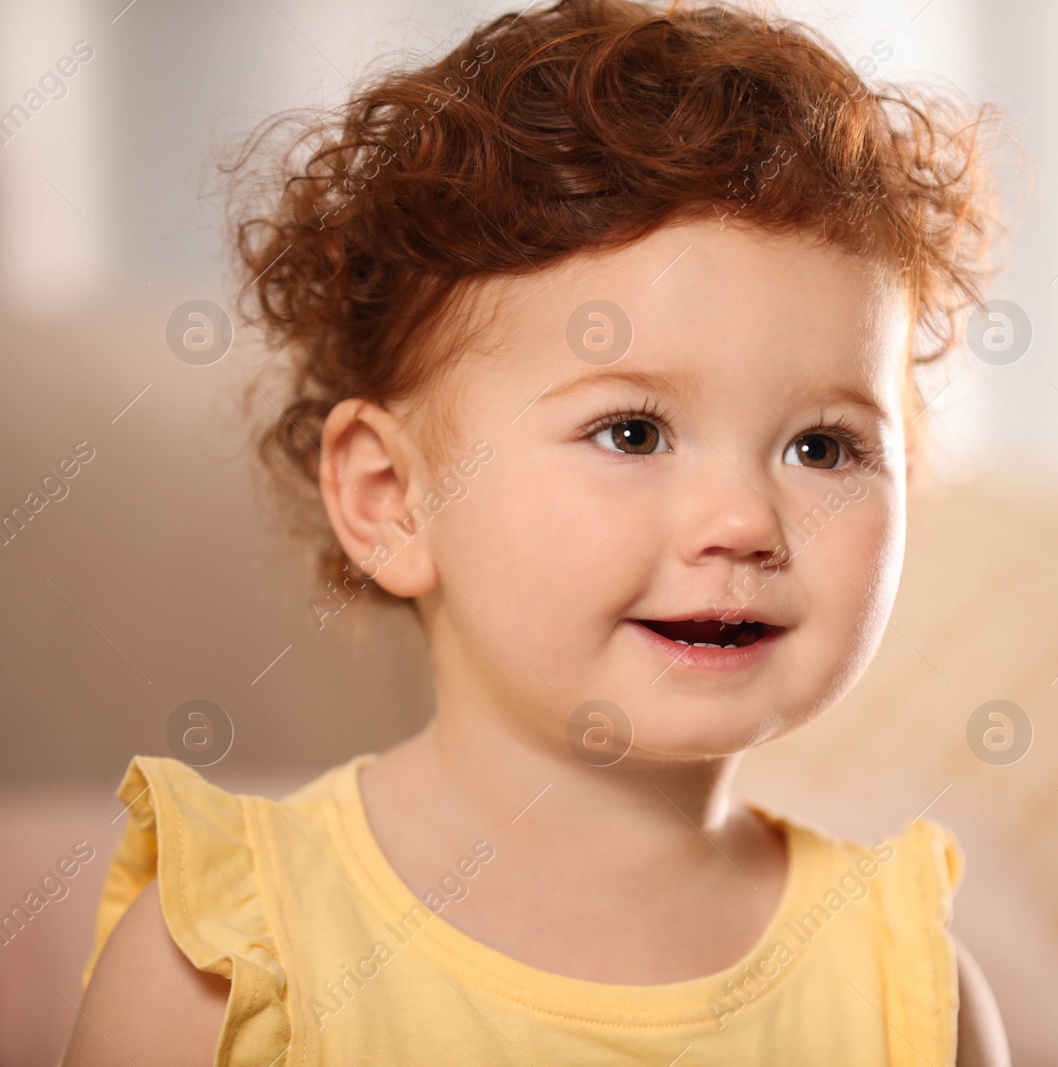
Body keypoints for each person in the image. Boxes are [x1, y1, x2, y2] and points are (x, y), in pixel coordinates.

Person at [63, 1, 1008, 1062]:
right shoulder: (227, 955)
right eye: (634, 430)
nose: (744, 520)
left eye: (823, 448)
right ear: (391, 497)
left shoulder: (907, 989)